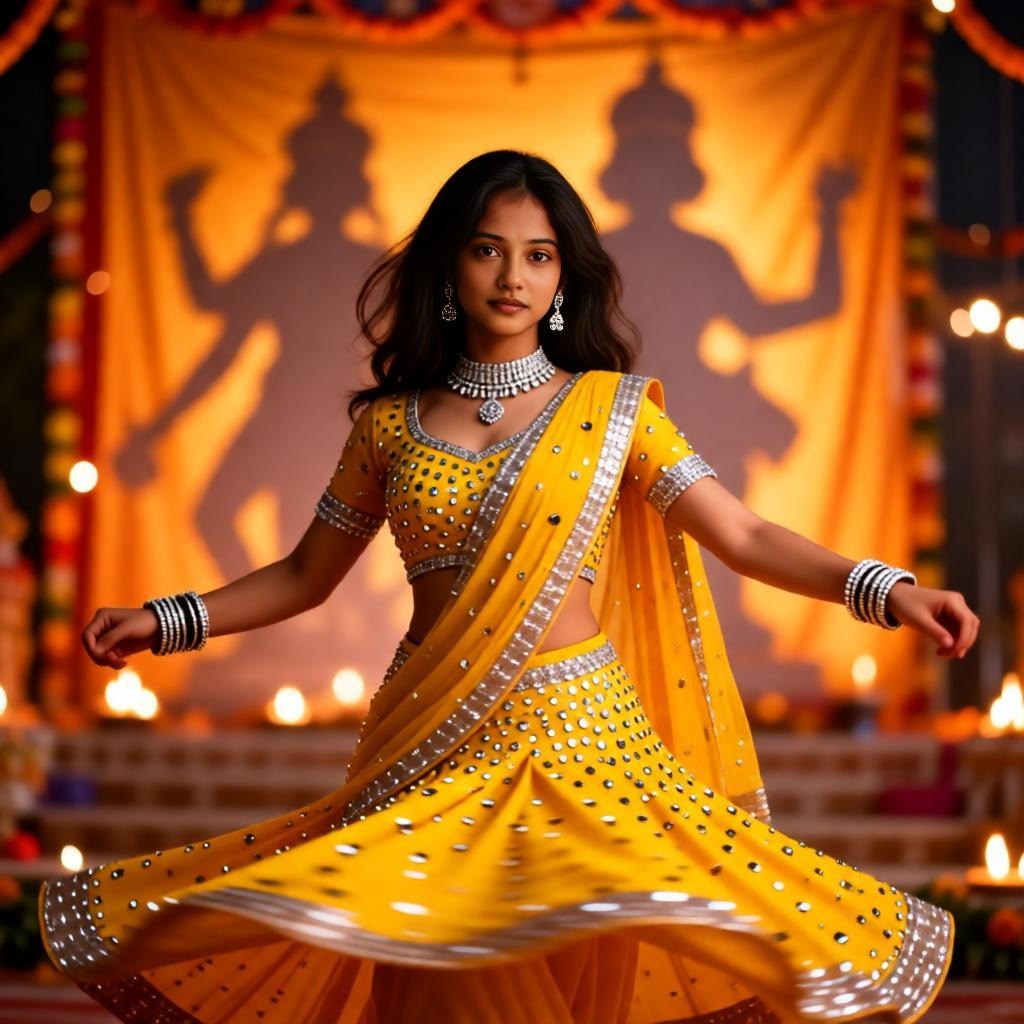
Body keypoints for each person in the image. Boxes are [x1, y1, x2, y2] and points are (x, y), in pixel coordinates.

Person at [42, 150, 978, 1023]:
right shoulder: (390, 426)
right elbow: (302, 576)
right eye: (488, 251)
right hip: (432, 744)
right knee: (429, 977)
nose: (511, 277)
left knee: (569, 973)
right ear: (450, 267)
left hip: (584, 755)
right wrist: (168, 620)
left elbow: (744, 535)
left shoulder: (610, 412)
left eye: (538, 255)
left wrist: (887, 588)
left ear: (565, 277)